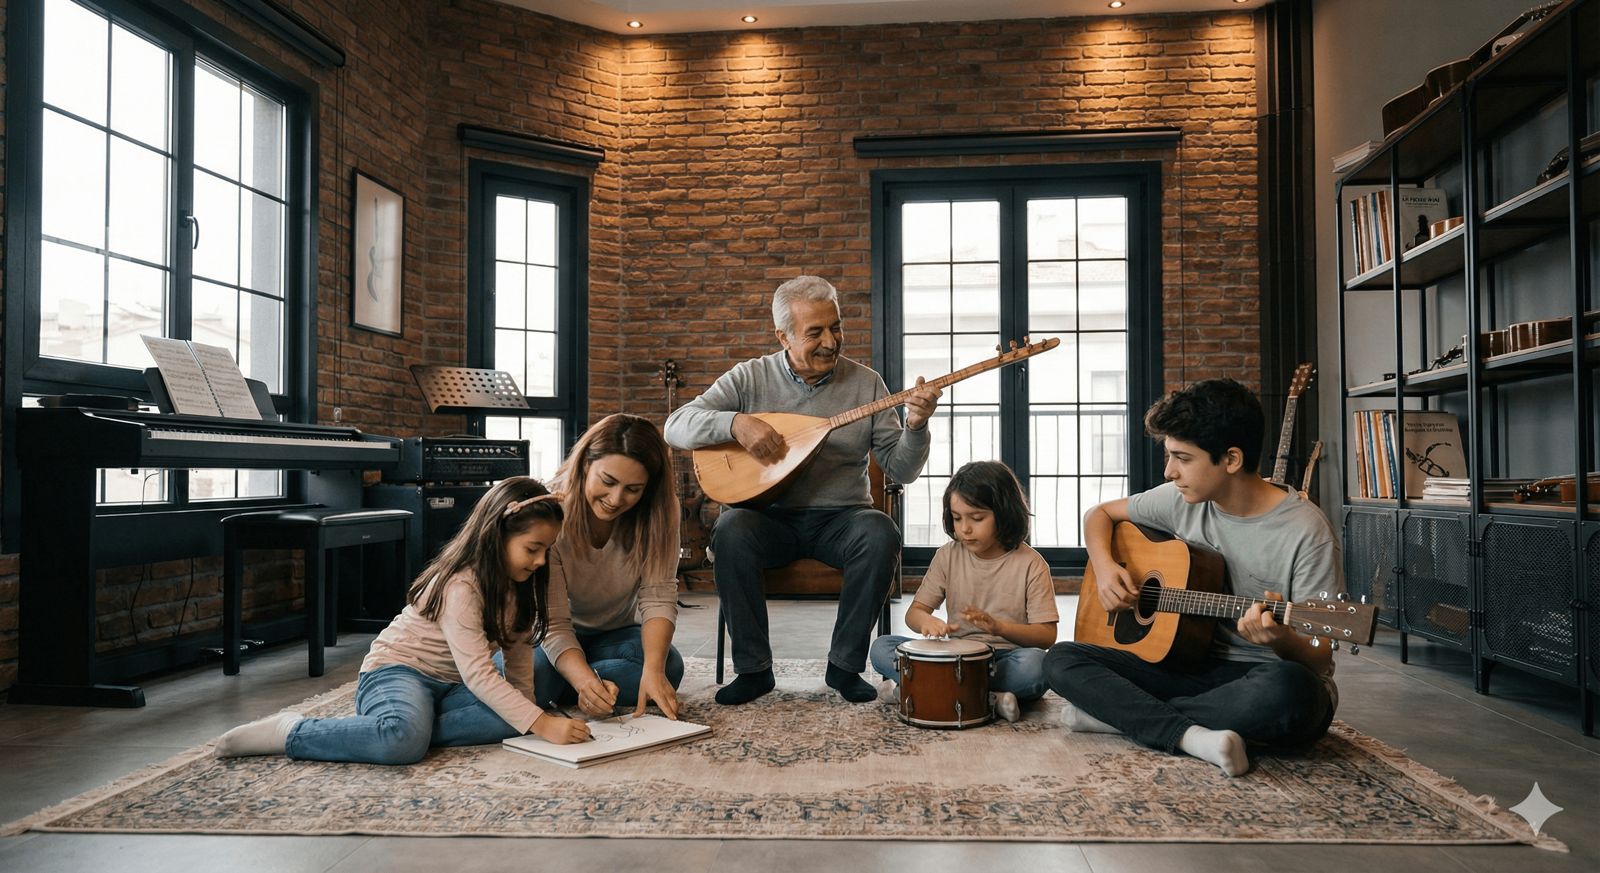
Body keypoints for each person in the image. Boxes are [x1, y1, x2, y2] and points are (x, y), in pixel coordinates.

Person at [1042, 378, 1344, 777]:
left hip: (1256, 678)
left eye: (1182, 458)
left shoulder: (1307, 531)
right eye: (1170, 456)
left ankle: (1122, 717)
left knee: (1295, 693)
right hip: (1182, 667)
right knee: (1062, 659)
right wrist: (1105, 568)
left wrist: (1282, 638)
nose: (1169, 472)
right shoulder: (1181, 499)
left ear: (1231, 459)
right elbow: (1099, 515)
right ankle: (1193, 735)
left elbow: (1320, 654)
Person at [664, 275, 941, 705]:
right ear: (783, 336)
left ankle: (844, 667)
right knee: (731, 530)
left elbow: (900, 469)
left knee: (880, 531)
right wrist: (736, 423)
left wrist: (917, 427)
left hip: (842, 519)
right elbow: (676, 425)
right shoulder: (750, 378)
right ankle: (754, 671)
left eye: (836, 327)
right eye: (815, 332)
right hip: (767, 517)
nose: (831, 341)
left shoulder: (867, 384)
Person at [213, 477, 593, 763]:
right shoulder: (461, 585)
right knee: (403, 741)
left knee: (525, 707)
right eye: (533, 549)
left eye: (546, 550)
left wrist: (527, 712)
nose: (542, 561)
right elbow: (479, 673)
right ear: (496, 536)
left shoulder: (522, 584)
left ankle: (414, 725)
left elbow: (518, 658)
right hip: (397, 672)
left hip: (450, 682)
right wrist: (540, 724)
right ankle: (292, 731)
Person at [868, 461, 1057, 722]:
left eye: (977, 518)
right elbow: (915, 613)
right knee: (881, 647)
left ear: (1004, 512)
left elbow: (1047, 636)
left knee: (1038, 666)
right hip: (952, 657)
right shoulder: (948, 556)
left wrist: (998, 627)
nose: (965, 529)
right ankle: (988, 698)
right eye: (957, 518)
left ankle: (926, 690)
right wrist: (928, 622)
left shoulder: (1032, 564)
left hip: (1004, 658)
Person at [538, 413, 686, 720]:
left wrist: (653, 670)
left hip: (614, 636)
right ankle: (578, 682)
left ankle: (566, 687)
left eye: (633, 489)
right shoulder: (549, 509)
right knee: (536, 673)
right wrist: (584, 681)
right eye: (608, 482)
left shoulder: (662, 510)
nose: (616, 499)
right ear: (584, 465)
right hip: (549, 637)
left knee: (668, 667)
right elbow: (553, 624)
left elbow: (658, 596)